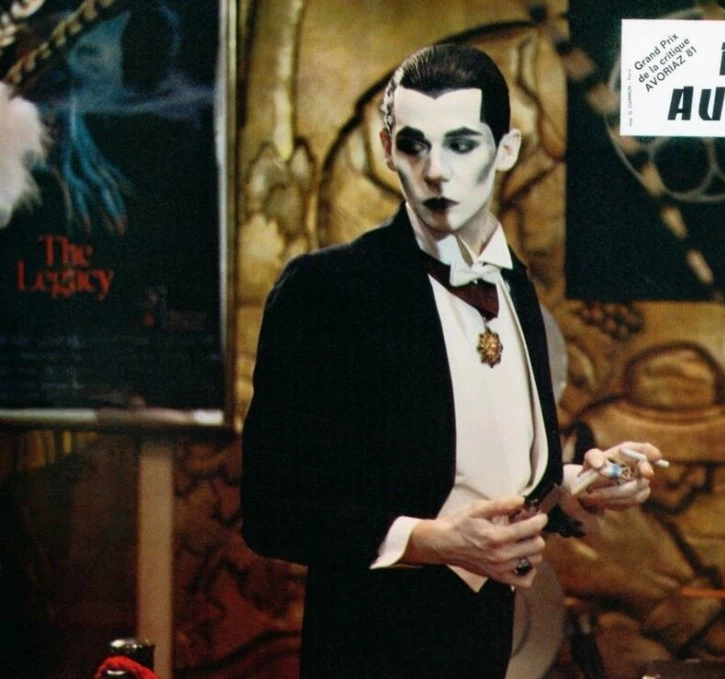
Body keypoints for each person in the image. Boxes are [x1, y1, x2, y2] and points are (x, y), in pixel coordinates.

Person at [241, 43, 664, 678]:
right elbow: (273, 510)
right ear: (388, 150)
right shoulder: (328, 290)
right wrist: (430, 542)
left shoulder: (513, 283)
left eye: (462, 145)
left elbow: (482, 474)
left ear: (506, 150)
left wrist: (576, 488)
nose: (436, 171)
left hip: (486, 648)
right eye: (415, 145)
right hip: (369, 654)